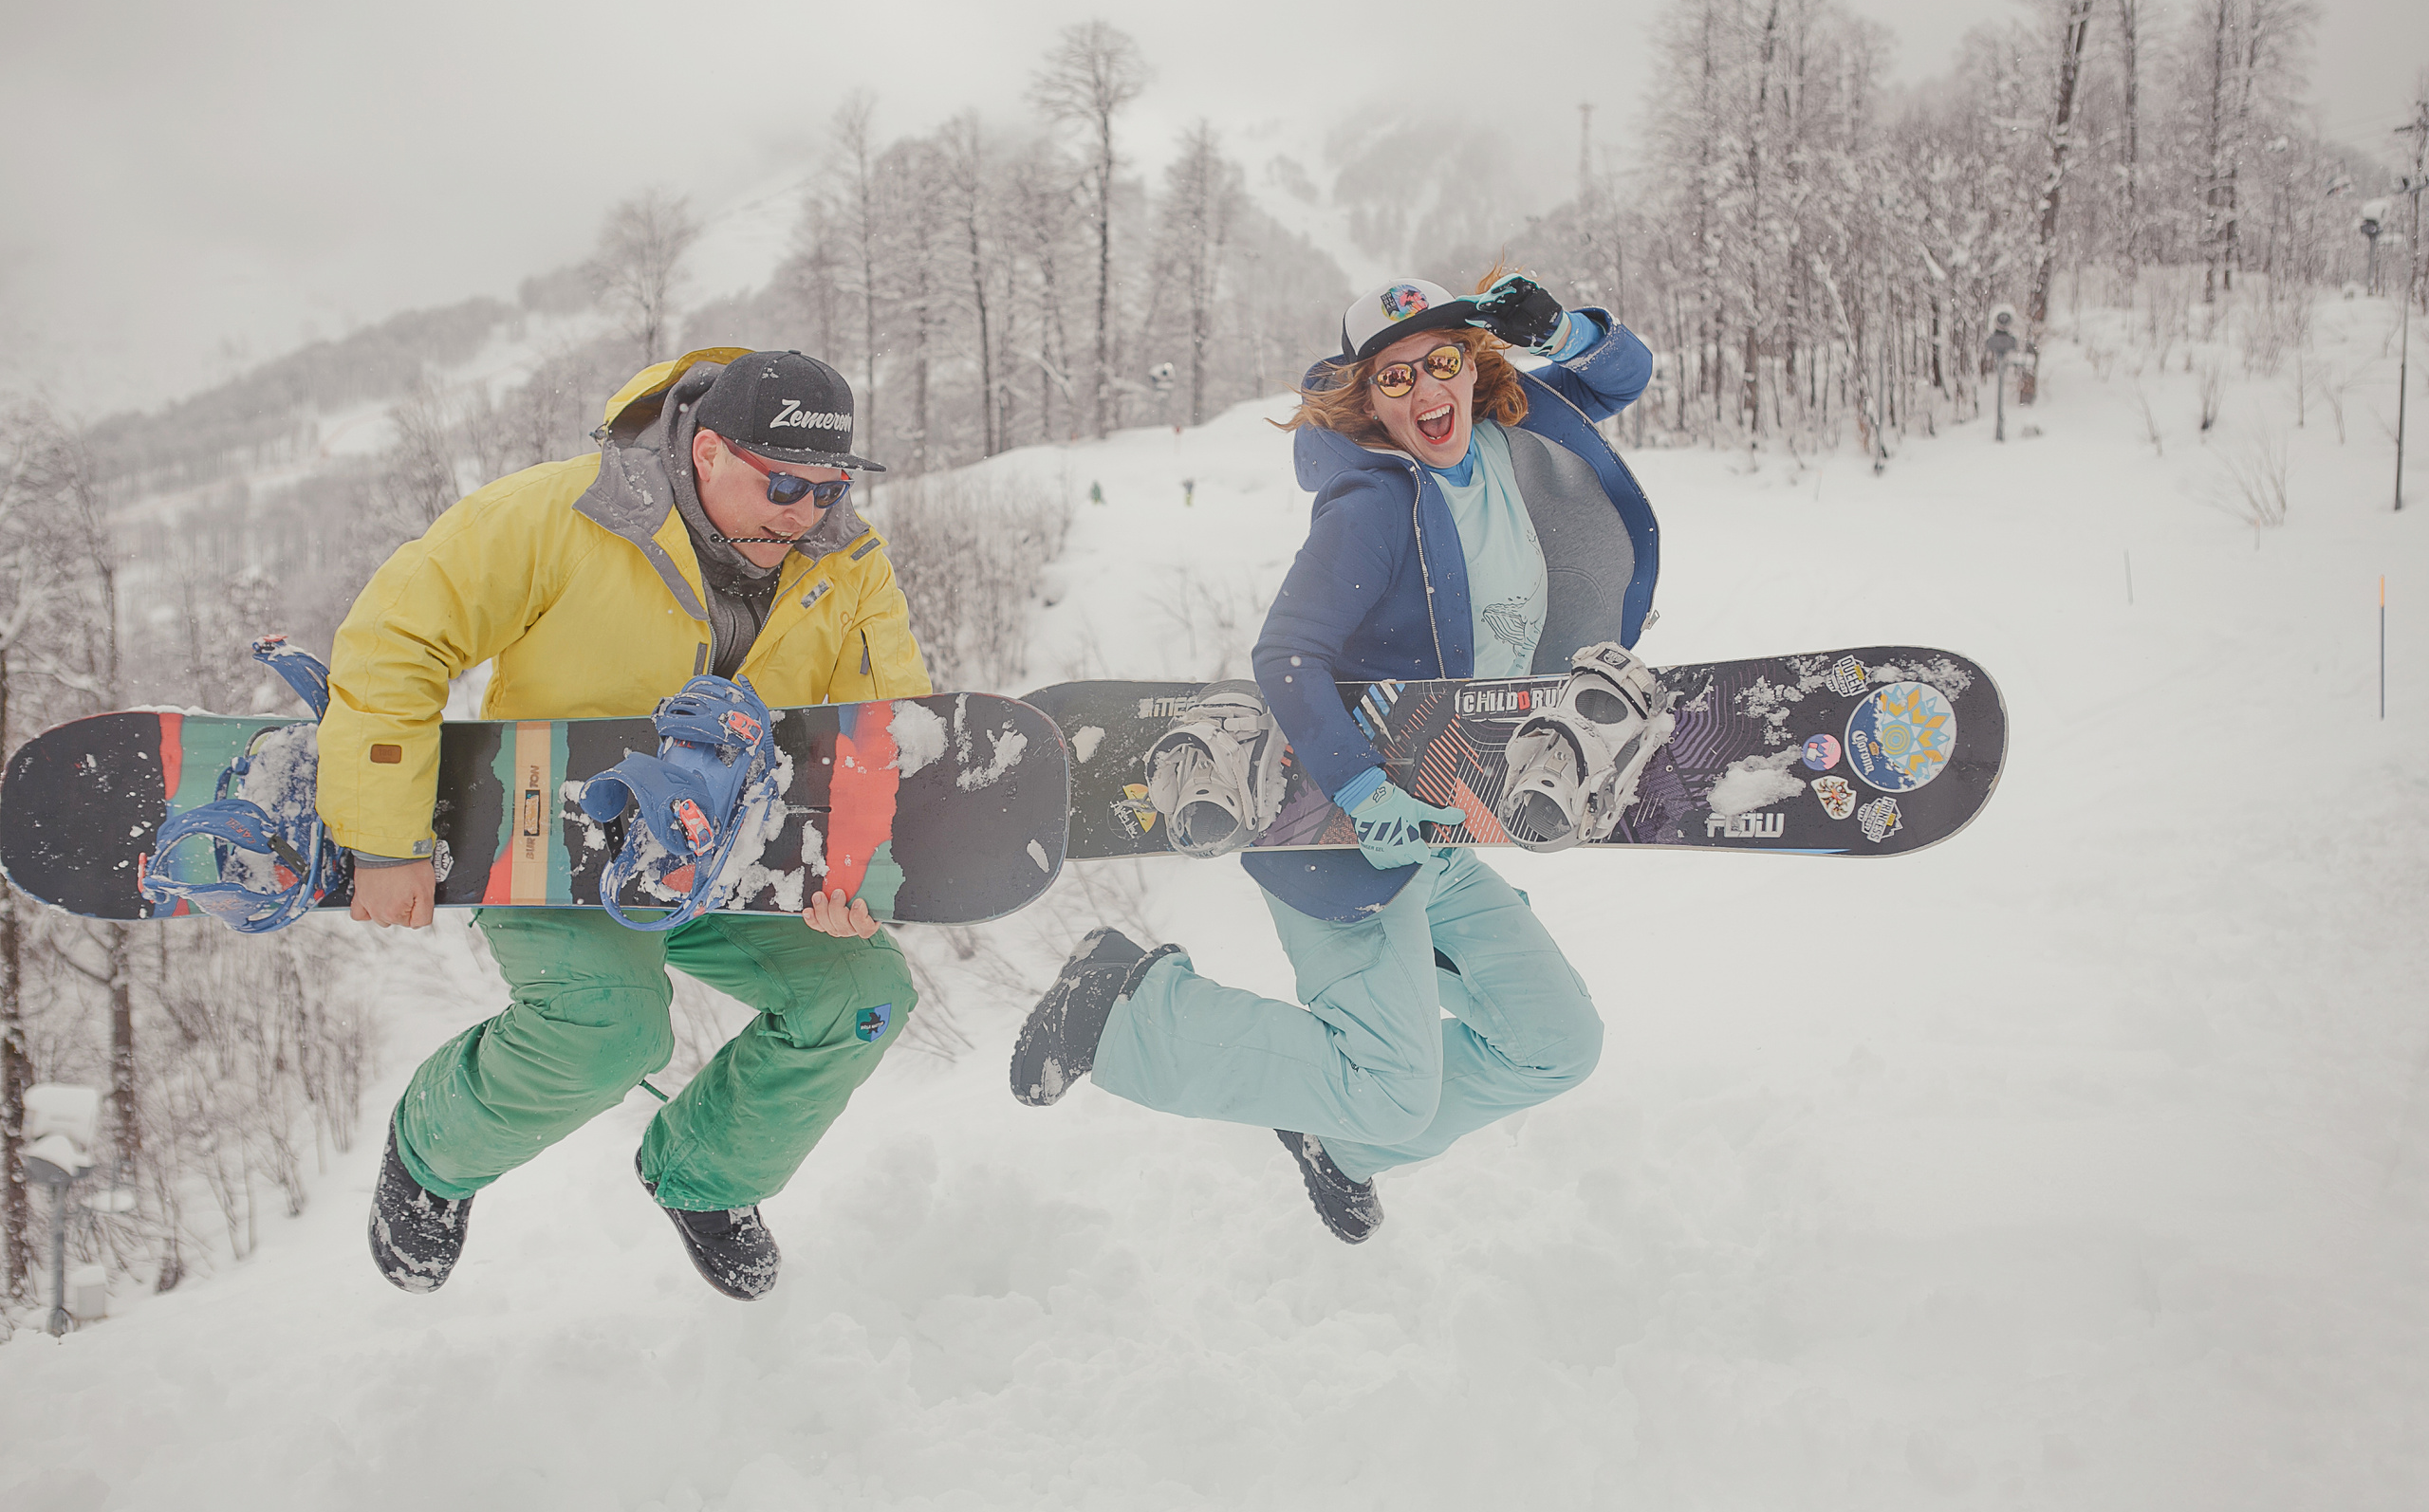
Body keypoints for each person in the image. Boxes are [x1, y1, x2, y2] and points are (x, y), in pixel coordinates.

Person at [1010, 270, 1660, 1242]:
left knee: (1555, 1043)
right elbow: (1286, 655)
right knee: (1390, 1088)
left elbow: (1621, 377)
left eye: (1441, 362)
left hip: (1440, 828)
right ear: (1368, 400)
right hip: (1337, 831)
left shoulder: (1506, 440)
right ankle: (1124, 1009)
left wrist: (1560, 328)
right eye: (1394, 378)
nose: (1424, 390)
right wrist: (1359, 789)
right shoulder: (1373, 503)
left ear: (1474, 365)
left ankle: (1338, 1144)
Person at [332, 347, 932, 1300]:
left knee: (862, 995)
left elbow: (880, 722)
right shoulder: (564, 513)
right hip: (560, 837)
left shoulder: (846, 564)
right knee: (609, 1033)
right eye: (784, 484)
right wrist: (384, 834)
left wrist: (854, 873)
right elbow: (397, 637)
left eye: (828, 489)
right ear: (707, 452)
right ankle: (431, 1152)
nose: (805, 512)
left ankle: (705, 1171)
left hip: (733, 847)